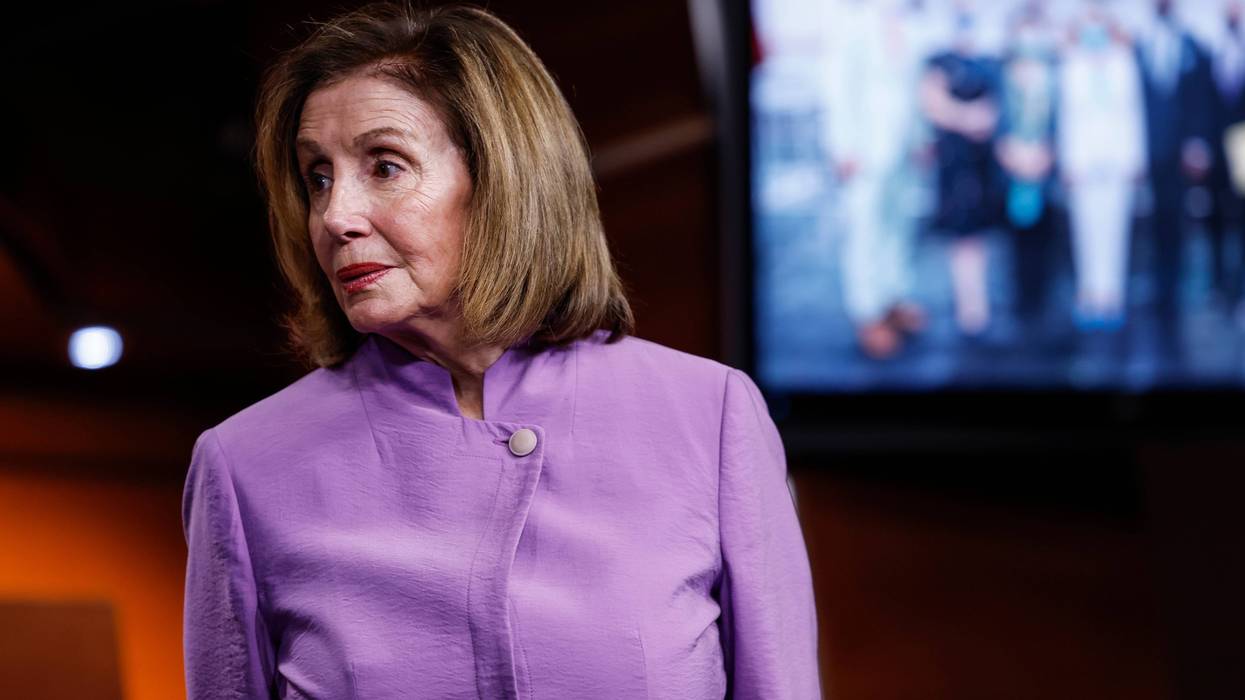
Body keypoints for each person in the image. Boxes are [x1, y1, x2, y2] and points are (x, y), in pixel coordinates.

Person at [180, 3, 821, 699]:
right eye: (318, 177)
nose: (336, 217)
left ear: (502, 180)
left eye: (385, 166)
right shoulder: (244, 466)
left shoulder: (710, 416)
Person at [820, 0, 932, 360]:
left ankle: (893, 297)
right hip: (865, 150)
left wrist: (921, 138)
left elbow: (914, 89)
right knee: (864, 231)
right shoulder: (853, 24)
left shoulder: (909, 24)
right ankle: (867, 313)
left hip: (902, 149)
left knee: (898, 226)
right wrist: (842, 147)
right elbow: (838, 87)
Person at [1057, 3, 1147, 331]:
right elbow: (1066, 117)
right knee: (1085, 229)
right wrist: (1069, 161)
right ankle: (1089, 294)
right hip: (1083, 163)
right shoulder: (1071, 64)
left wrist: (1134, 159)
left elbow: (1133, 114)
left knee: (1115, 229)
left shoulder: (1124, 63)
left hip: (1117, 161)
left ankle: (1112, 296)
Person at [1135, 0, 1217, 358]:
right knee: (1150, 223)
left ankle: (1174, 291)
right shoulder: (1138, 46)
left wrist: (1198, 143)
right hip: (1146, 152)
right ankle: (1154, 289)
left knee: (1177, 222)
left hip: (1181, 152)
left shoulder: (1192, 47)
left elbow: (1202, 100)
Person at [918, 2, 1004, 339]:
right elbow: (932, 104)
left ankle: (979, 302)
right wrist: (969, 119)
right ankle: (968, 307)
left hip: (983, 162)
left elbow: (999, 104)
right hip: (955, 162)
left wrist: (983, 120)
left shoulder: (988, 60)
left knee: (980, 236)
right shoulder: (939, 60)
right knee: (962, 236)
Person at [995, 2, 1061, 342]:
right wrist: (1008, 151)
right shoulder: (1003, 77)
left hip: (1045, 171)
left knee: (1045, 242)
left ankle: (1043, 305)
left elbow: (1062, 121)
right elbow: (998, 121)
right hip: (1012, 171)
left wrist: (1047, 153)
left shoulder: (1055, 76)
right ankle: (1019, 306)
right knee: (1015, 243)